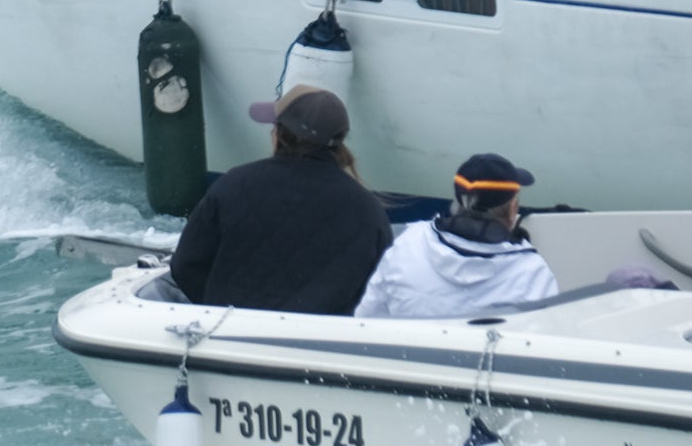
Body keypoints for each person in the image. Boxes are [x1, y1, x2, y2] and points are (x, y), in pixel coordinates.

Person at [168, 85, 391, 315]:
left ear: (280, 133)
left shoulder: (234, 184)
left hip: (230, 336)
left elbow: (185, 265)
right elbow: (379, 291)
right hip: (320, 344)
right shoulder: (367, 209)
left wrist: (219, 304)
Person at [353, 154, 559, 319]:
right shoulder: (531, 272)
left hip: (406, 367)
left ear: (458, 201)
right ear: (513, 208)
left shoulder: (408, 242)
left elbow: (367, 318)